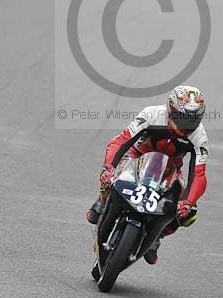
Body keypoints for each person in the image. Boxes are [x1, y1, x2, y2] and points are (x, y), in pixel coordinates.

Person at [86, 85, 209, 265]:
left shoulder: (200, 136)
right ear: (170, 109)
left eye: (192, 121)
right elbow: (120, 141)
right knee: (109, 177)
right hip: (137, 156)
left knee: (190, 213)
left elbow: (199, 173)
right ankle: (103, 200)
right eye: (181, 118)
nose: (186, 126)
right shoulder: (151, 114)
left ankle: (157, 235)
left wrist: (188, 202)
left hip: (171, 169)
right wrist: (108, 169)